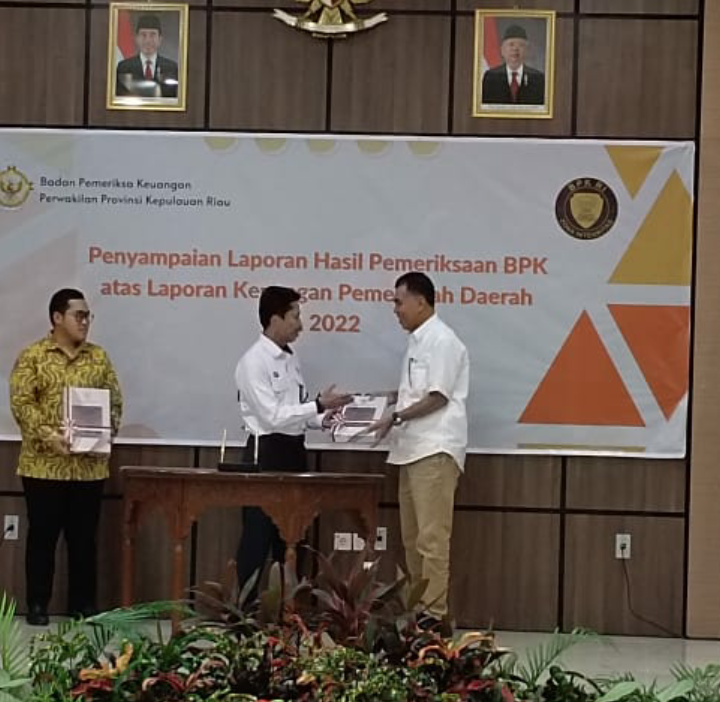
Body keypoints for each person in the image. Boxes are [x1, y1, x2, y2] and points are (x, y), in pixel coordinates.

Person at [9, 289, 122, 626]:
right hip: (43, 466)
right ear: (57, 318)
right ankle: (37, 604)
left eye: (88, 316)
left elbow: (114, 401)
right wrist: (49, 436)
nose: (85, 322)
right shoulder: (33, 356)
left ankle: (82, 605)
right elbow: (22, 403)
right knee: (42, 538)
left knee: (84, 540)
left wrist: (104, 433)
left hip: (88, 468)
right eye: (79, 315)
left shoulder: (98, 358)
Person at [362, 272, 469, 630]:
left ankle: (434, 617)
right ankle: (417, 612)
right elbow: (416, 392)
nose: (395, 309)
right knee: (411, 539)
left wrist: (395, 416)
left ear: (420, 301)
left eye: (399, 301)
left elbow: (438, 397)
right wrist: (383, 399)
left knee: (431, 538)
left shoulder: (442, 340)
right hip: (409, 450)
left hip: (433, 449)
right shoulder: (417, 341)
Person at [234, 286, 351, 602]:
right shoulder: (253, 362)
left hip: (293, 453)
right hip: (265, 455)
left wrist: (322, 419)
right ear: (275, 319)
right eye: (295, 316)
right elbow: (272, 417)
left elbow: (295, 411)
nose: (300, 324)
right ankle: (242, 616)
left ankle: (288, 616)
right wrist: (317, 405)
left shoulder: (291, 358)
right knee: (257, 539)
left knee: (291, 538)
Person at [116, 14, 179, 98]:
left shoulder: (171, 68)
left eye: (152, 35)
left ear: (160, 39)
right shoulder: (124, 67)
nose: (148, 40)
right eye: (143, 35)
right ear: (136, 38)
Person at [481, 24, 545, 105]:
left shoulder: (538, 78)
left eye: (521, 45)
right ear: (502, 50)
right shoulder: (491, 77)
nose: (515, 49)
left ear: (527, 51)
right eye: (511, 44)